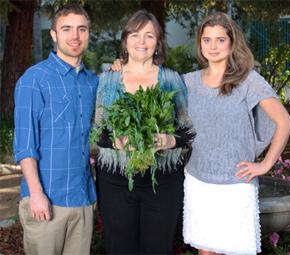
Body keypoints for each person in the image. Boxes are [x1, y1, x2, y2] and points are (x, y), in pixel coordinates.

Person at [182, 12, 290, 255]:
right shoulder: (188, 83)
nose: (213, 46)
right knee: (206, 251)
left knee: (236, 250)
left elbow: (284, 121)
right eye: (207, 39)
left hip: (236, 184)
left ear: (232, 42)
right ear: (199, 43)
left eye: (220, 40)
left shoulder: (248, 81)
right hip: (199, 181)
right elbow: (149, 82)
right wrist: (121, 66)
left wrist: (264, 165)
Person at [93, 9, 195, 254]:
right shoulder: (107, 80)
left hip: (163, 182)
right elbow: (97, 133)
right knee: (119, 248)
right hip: (115, 181)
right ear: (125, 41)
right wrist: (116, 142)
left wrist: (170, 140)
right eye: (135, 35)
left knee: (157, 249)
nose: (142, 42)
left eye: (149, 36)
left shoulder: (172, 80)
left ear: (158, 44)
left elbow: (188, 133)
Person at [13, 3, 98, 255]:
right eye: (67, 29)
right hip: (46, 199)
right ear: (54, 35)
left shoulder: (93, 82)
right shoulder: (34, 79)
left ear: (88, 34)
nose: (75, 36)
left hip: (82, 198)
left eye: (81, 29)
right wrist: (37, 194)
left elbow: (94, 135)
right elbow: (25, 144)